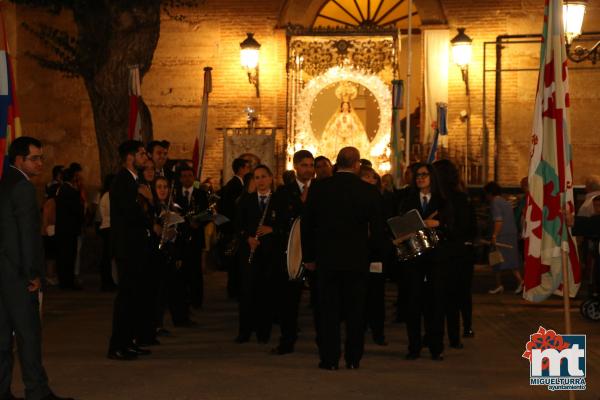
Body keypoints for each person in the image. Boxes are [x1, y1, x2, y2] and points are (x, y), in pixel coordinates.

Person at [0, 136, 73, 400]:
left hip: (3, 274)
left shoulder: (4, 182)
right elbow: (27, 236)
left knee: (2, 338)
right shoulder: (23, 187)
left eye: (41, 158)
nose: (40, 163)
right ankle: (36, 390)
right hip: (19, 275)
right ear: (19, 160)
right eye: (35, 158)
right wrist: (33, 273)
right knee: (28, 335)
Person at [301, 147, 385, 370]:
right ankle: (353, 358)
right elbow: (378, 231)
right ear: (357, 165)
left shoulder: (319, 189)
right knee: (356, 311)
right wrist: (375, 257)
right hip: (357, 260)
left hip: (326, 259)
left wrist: (308, 257)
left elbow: (307, 225)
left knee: (328, 311)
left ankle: (329, 359)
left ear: (337, 163)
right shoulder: (368, 191)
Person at [107, 140, 153, 361]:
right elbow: (129, 214)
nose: (146, 157)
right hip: (127, 248)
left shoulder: (137, 180)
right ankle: (117, 345)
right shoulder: (122, 181)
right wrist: (146, 200)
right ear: (130, 157)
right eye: (142, 154)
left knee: (135, 297)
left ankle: (129, 341)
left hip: (137, 247)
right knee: (125, 298)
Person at [398, 163, 447, 361]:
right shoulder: (407, 199)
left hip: (436, 259)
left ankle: (436, 347)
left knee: (435, 305)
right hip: (414, 258)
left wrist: (439, 223)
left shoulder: (442, 200)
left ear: (432, 177)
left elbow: (454, 224)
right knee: (413, 304)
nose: (420, 178)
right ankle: (414, 347)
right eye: (417, 175)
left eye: (424, 175)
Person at [271, 150, 315, 355]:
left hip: (315, 251)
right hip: (293, 250)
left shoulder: (322, 190)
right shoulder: (283, 192)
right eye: (305, 165)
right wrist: (301, 203)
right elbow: (280, 220)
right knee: (289, 299)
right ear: (296, 167)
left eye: (311, 165)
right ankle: (287, 340)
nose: (309, 169)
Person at [433, 159, 477, 345]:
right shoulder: (462, 198)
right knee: (459, 294)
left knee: (440, 296)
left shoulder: (442, 199)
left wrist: (440, 225)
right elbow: (471, 228)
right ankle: (457, 333)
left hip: (446, 251)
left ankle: (438, 335)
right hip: (461, 252)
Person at [235, 165, 278, 344]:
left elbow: (287, 224)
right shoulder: (246, 200)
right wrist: (248, 239)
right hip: (250, 252)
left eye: (263, 177)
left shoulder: (278, 200)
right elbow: (238, 225)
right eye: (257, 177)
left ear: (270, 178)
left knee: (266, 293)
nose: (260, 181)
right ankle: (244, 331)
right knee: (247, 293)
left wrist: (272, 229)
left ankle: (263, 332)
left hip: (270, 254)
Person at [358, 166, 388, 347]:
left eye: (372, 177)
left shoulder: (381, 198)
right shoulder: (355, 198)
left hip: (376, 251)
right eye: (365, 177)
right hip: (359, 252)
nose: (369, 180)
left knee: (377, 293)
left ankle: (378, 331)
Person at [176, 164, 208, 311]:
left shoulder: (201, 194)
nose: (187, 178)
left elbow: (208, 214)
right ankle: (183, 298)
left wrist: (199, 222)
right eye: (184, 176)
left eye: (189, 175)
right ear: (180, 178)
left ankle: (197, 300)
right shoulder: (175, 194)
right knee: (181, 271)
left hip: (196, 237)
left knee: (196, 271)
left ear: (193, 177)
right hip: (180, 238)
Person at [220, 158, 252, 299]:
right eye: (247, 167)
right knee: (234, 262)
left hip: (234, 228)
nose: (249, 170)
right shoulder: (235, 185)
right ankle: (234, 291)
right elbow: (233, 209)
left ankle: (235, 289)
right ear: (240, 169)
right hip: (233, 228)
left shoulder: (237, 184)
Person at [484, 182, 524, 294]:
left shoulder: (495, 203)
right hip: (510, 234)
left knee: (499, 259)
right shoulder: (505, 202)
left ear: (489, 193)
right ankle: (500, 284)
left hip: (502, 235)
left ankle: (519, 282)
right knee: (507, 259)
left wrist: (494, 235)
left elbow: (498, 220)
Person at [320, 82, 371, 161]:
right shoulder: (338, 116)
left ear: (349, 107)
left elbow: (355, 126)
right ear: (341, 107)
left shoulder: (351, 117)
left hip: (349, 135)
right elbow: (334, 126)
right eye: (344, 106)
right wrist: (337, 128)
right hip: (340, 135)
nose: (345, 107)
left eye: (346, 106)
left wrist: (351, 128)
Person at [55, 166, 84, 290]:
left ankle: (65, 282)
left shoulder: (63, 189)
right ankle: (67, 283)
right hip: (69, 229)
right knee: (68, 257)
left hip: (64, 229)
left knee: (65, 257)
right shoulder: (70, 190)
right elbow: (77, 210)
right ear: (73, 177)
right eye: (77, 175)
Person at [97, 174, 116, 292]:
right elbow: (111, 213)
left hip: (108, 227)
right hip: (108, 227)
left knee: (108, 256)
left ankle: (109, 281)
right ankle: (106, 282)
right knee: (107, 257)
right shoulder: (108, 196)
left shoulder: (107, 195)